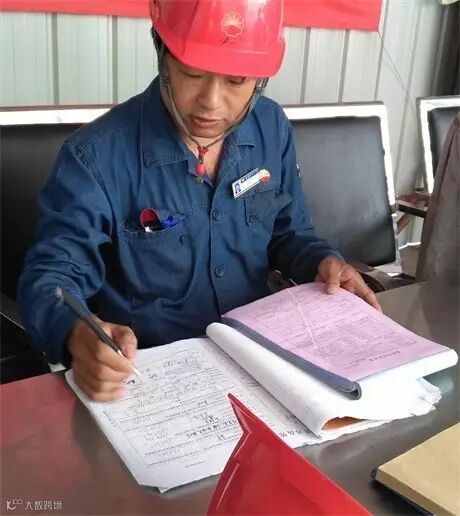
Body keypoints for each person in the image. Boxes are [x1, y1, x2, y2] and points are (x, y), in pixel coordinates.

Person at [18, 0, 380, 401]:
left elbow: (288, 231)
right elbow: (52, 278)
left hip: (261, 365)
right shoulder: (95, 157)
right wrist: (75, 333)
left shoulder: (271, 127)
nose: (211, 102)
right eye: (192, 73)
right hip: (150, 380)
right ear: (162, 54)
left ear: (260, 79)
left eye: (237, 80)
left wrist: (322, 262)